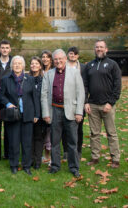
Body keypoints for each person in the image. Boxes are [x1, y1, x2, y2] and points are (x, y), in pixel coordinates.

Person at [41, 49, 84, 178]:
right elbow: (44, 95)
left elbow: (81, 93)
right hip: (55, 110)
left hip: (70, 111)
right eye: (56, 59)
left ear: (65, 59)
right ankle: (55, 165)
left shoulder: (75, 72)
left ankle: (74, 167)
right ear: (53, 61)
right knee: (54, 141)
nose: (58, 61)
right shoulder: (49, 74)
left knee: (72, 141)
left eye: (60, 59)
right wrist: (46, 113)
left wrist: (79, 112)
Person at [82, 40, 122, 168]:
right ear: (94, 49)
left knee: (111, 133)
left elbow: (117, 85)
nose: (99, 49)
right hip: (92, 105)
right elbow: (85, 85)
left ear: (106, 49)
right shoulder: (90, 65)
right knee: (94, 133)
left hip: (107, 105)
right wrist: (86, 102)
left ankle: (115, 158)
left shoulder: (112, 65)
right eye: (97, 47)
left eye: (101, 47)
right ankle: (95, 157)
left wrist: (111, 103)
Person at [0, 56, 39, 175]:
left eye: (19, 63)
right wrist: (8, 104)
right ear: (12, 66)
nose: (17, 65)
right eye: (15, 63)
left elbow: (35, 97)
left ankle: (26, 165)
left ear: (23, 66)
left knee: (27, 143)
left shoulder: (30, 79)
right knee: (14, 142)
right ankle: (14, 165)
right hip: (13, 115)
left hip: (28, 114)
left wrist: (37, 114)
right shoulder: (6, 79)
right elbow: (1, 95)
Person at [29, 56, 46, 170]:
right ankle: (30, 159)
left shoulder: (44, 79)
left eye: (36, 63)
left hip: (41, 112)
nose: (34, 65)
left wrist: (40, 114)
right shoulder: (27, 78)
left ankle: (38, 160)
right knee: (29, 137)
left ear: (40, 66)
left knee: (39, 137)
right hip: (29, 112)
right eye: (32, 63)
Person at [67, 46, 84, 161]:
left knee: (79, 128)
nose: (72, 55)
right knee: (65, 128)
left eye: (74, 54)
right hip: (66, 101)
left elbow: (85, 85)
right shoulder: (63, 66)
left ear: (77, 56)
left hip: (78, 101)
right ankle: (66, 151)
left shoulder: (83, 67)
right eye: (70, 53)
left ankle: (78, 150)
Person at [40, 49, 53, 163]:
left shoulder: (53, 71)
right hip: (40, 103)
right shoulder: (40, 71)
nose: (45, 59)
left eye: (47, 57)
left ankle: (49, 154)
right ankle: (43, 152)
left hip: (50, 104)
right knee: (42, 130)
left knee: (50, 130)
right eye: (43, 57)